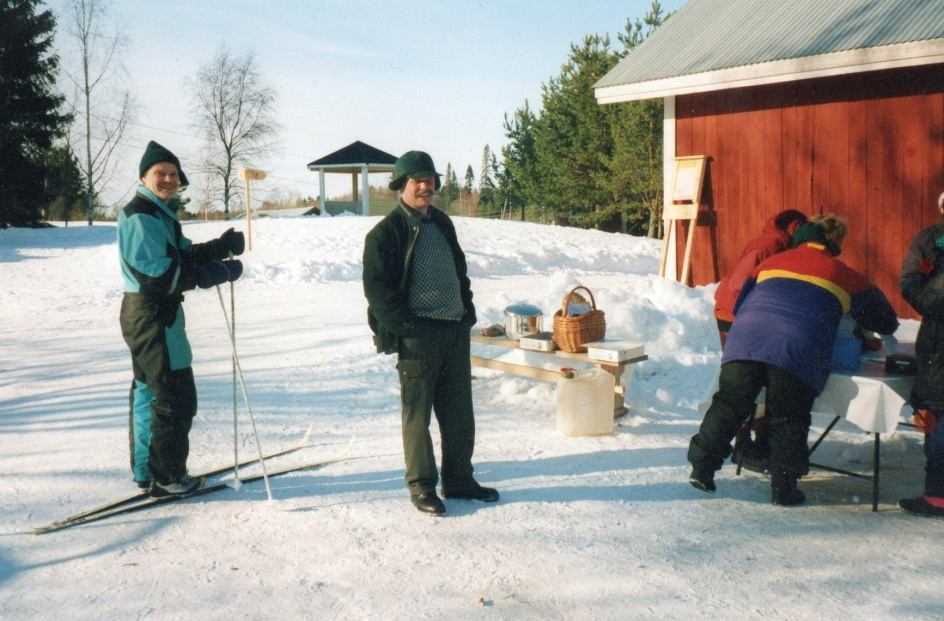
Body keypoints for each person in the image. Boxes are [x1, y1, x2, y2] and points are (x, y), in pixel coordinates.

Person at [689, 214, 898, 506]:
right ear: (835, 244)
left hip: (745, 340)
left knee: (728, 404)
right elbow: (885, 319)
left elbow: (741, 301)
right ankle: (783, 489)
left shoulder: (770, 263)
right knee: (788, 416)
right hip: (797, 348)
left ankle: (702, 469)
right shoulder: (842, 273)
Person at [362, 150, 499, 515]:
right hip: (418, 336)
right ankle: (422, 486)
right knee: (417, 415)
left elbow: (460, 271)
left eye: (429, 180)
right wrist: (406, 329)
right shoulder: (384, 233)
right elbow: (378, 292)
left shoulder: (442, 223)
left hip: (453, 331)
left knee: (458, 413)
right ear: (401, 185)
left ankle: (458, 480)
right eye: (416, 181)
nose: (425, 187)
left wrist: (466, 312)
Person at [118, 141, 245, 498]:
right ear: (144, 177)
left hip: (154, 314)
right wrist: (212, 274)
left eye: (174, 174)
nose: (169, 179)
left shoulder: (160, 214)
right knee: (174, 396)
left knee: (150, 391)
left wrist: (218, 248)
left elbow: (184, 254)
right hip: (153, 314)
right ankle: (167, 475)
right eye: (161, 173)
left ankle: (148, 471)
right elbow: (158, 275)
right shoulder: (142, 216)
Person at [714, 209, 807, 472]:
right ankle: (744, 445)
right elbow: (739, 284)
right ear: (791, 228)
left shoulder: (782, 245)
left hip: (747, 316)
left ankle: (760, 440)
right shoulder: (770, 245)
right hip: (734, 314)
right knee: (745, 381)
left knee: (759, 379)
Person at [898, 191, 944, 517]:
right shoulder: (930, 239)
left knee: (938, 408)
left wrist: (932, 302)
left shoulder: (929, 238)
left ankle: (938, 497)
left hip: (939, 334)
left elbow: (910, 281)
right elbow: (910, 281)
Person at [714, 209, 807, 347]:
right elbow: (738, 284)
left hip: (743, 309)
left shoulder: (784, 247)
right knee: (739, 360)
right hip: (731, 309)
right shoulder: (767, 247)